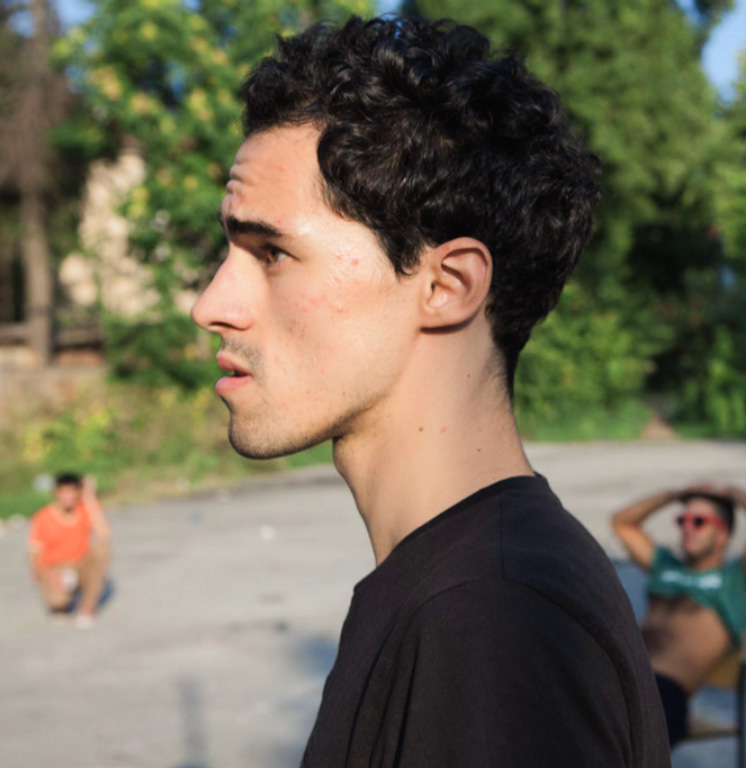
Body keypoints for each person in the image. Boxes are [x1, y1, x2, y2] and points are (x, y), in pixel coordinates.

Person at [190, 16, 669, 768]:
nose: (212, 304)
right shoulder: (468, 588)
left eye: (272, 252)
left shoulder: (490, 621)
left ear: (447, 286)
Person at [612, 483, 746, 747]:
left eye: (699, 522)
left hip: (663, 693)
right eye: (684, 520)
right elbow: (622, 522)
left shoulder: (737, 582)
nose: (687, 528)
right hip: (620, 675)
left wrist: (730, 492)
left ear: (723, 534)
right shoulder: (666, 566)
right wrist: (675, 494)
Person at [27, 473, 111, 628]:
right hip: (56, 567)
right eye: (63, 492)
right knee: (58, 602)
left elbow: (104, 535)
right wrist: (47, 576)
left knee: (102, 551)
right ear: (55, 493)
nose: (68, 496)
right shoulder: (43, 517)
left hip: (81, 563)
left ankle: (86, 609)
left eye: (73, 491)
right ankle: (62, 601)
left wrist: (89, 496)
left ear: (78, 492)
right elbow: (34, 554)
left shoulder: (85, 509)